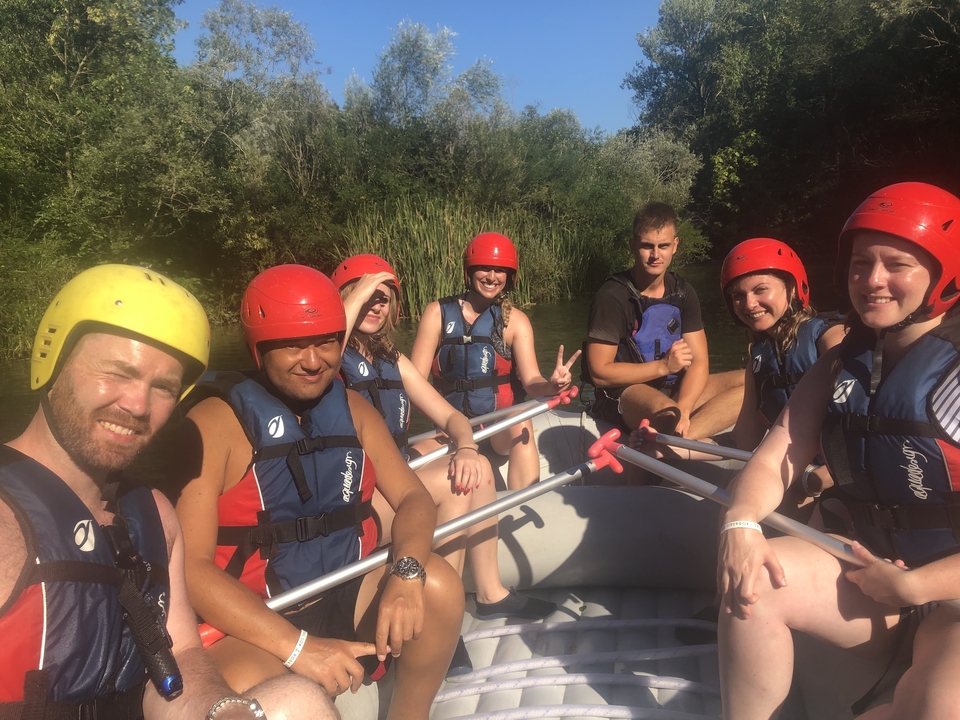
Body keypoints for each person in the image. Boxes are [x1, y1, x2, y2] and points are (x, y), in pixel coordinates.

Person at [0, 264, 334, 720]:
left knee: (302, 703)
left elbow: (182, 661)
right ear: (53, 360)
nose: (137, 405)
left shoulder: (154, 516)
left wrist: (223, 709)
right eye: (116, 372)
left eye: (162, 388)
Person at [175, 264, 463, 718]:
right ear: (258, 347)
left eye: (327, 341)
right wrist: (298, 648)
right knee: (263, 693)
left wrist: (407, 573)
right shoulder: (213, 423)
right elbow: (190, 568)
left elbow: (412, 499)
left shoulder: (351, 406)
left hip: (341, 591)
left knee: (439, 584)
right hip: (256, 621)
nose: (314, 360)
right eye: (293, 344)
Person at [717, 182, 960, 719]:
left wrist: (918, 583)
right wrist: (741, 523)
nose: (872, 280)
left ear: (943, 275)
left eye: (896, 264)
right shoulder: (840, 363)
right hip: (868, 570)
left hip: (949, 594)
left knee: (938, 705)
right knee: (753, 578)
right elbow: (774, 454)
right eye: (859, 264)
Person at [333, 254, 556, 627]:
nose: (374, 304)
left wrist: (466, 446)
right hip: (351, 497)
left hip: (390, 480)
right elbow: (328, 342)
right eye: (364, 294)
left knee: (476, 467)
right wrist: (353, 299)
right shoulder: (325, 359)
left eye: (383, 298)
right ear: (344, 299)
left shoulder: (391, 359)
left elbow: (451, 417)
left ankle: (489, 593)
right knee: (457, 487)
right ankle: (442, 619)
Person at [639, 238, 845, 507]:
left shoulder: (831, 340)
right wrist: (668, 448)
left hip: (839, 484)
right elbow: (741, 441)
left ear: (792, 289)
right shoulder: (759, 360)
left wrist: (813, 483)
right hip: (797, 479)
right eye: (738, 296)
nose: (749, 304)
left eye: (761, 290)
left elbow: (859, 438)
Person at [410, 232, 580, 490]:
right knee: (409, 461)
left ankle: (522, 501)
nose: (492, 276)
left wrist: (552, 386)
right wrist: (448, 423)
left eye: (500, 270)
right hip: (450, 431)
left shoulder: (514, 321)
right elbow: (414, 383)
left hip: (497, 427)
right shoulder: (437, 314)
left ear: (510, 277)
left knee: (521, 418)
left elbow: (532, 381)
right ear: (469, 271)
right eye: (484, 268)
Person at [584, 202, 743, 438]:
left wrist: (685, 408)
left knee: (751, 381)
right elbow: (599, 372)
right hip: (626, 393)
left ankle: (677, 439)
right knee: (668, 414)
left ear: (675, 245)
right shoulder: (612, 297)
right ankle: (670, 440)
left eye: (663, 246)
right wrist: (663, 367)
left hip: (674, 390)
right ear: (632, 246)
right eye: (647, 246)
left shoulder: (683, 292)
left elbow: (699, 362)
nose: (655, 255)